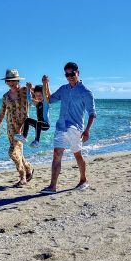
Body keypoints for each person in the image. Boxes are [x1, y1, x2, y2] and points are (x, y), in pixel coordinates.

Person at [40, 62, 96, 194]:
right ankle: (52, 186)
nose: (69, 76)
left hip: (75, 128)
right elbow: (49, 99)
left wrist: (87, 130)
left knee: (77, 155)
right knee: (56, 154)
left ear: (78, 73)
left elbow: (92, 113)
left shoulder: (86, 92)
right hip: (61, 127)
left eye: (72, 73)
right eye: (67, 74)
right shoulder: (63, 89)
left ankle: (83, 180)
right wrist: (45, 84)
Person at [0, 68, 34, 187]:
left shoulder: (25, 91)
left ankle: (23, 176)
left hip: (23, 127)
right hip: (11, 128)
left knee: (12, 152)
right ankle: (29, 168)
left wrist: (32, 89)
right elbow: (1, 113)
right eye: (9, 81)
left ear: (18, 80)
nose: (12, 83)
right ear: (6, 82)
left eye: (14, 80)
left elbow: (37, 100)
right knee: (18, 151)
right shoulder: (5, 96)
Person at [16, 78, 51, 147]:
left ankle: (37, 141)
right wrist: (28, 89)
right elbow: (29, 99)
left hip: (46, 125)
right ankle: (24, 136)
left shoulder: (46, 103)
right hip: (38, 125)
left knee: (38, 122)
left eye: (40, 95)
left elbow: (45, 93)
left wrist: (45, 83)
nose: (38, 97)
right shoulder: (37, 103)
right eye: (36, 95)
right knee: (27, 120)